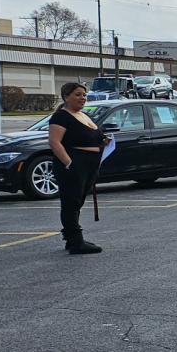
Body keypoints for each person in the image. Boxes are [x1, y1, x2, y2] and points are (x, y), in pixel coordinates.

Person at [48, 82, 108, 254]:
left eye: (84, 95)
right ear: (66, 96)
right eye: (78, 94)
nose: (82, 98)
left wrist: (104, 141)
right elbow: (54, 142)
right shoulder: (61, 117)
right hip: (74, 164)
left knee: (78, 201)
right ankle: (76, 242)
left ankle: (71, 237)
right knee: (71, 202)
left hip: (90, 165)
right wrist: (69, 163)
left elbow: (95, 137)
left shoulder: (84, 116)